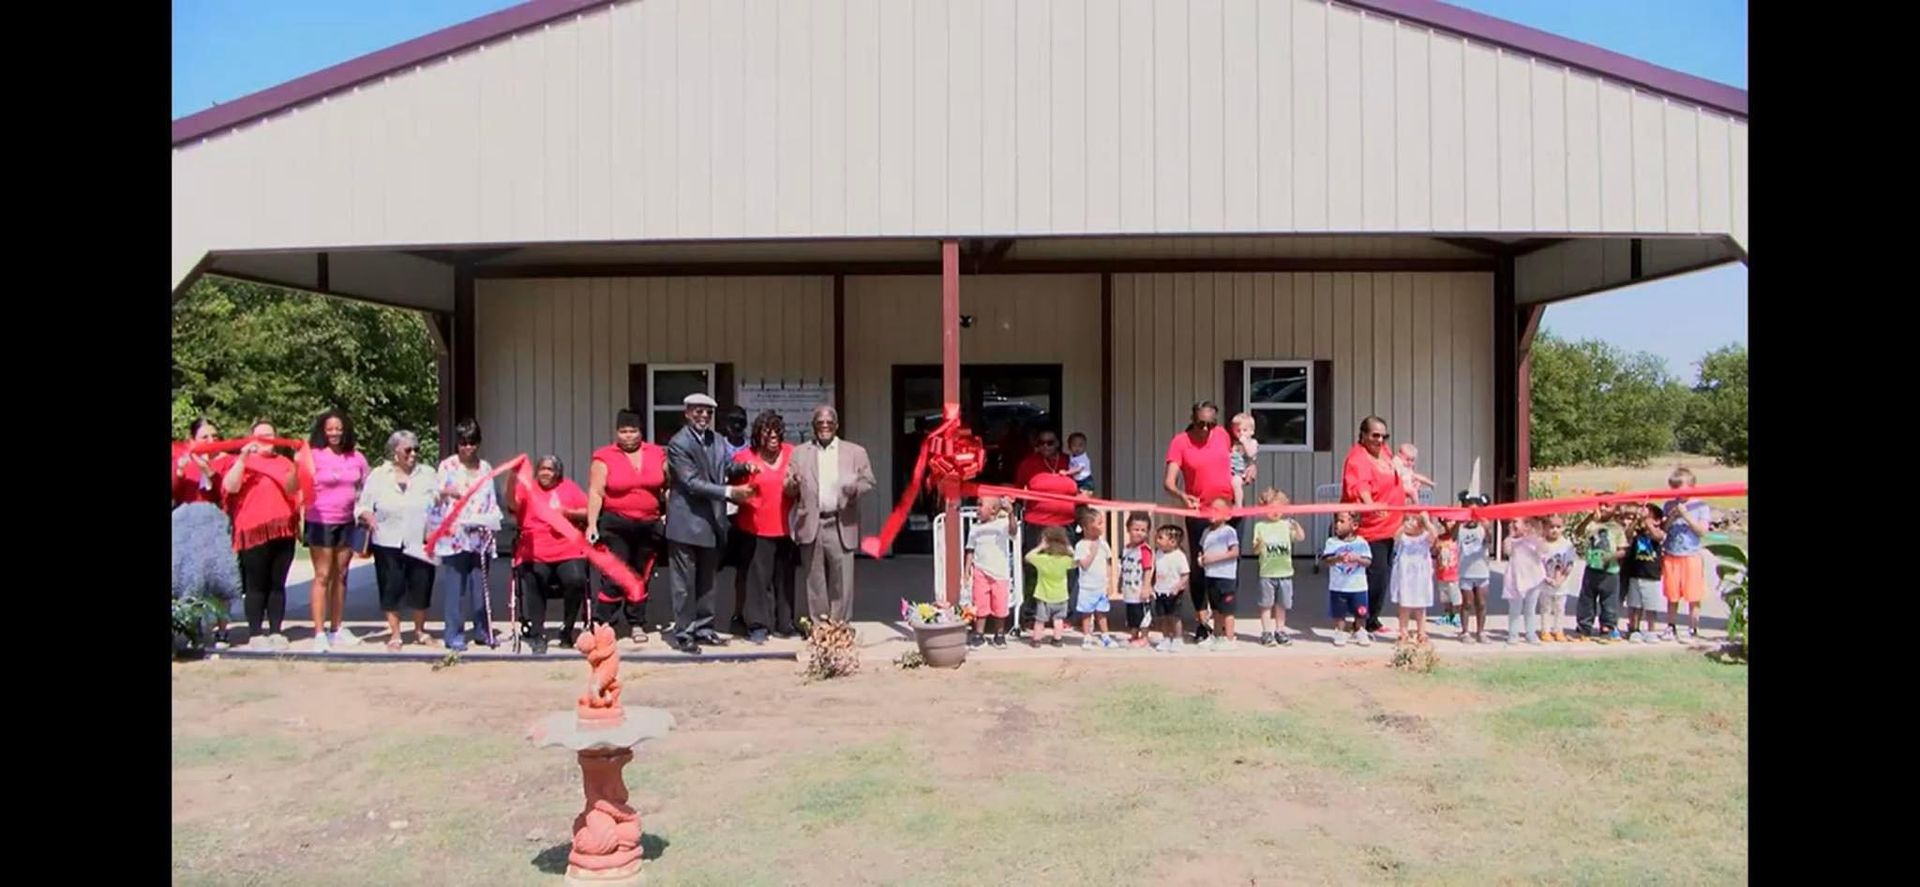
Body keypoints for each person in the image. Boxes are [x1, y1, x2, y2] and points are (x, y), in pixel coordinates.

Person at [662, 393, 754, 654]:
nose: (703, 417)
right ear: (687, 413)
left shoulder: (717, 440)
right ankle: (684, 633)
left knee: (708, 580)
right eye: (698, 411)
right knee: (683, 584)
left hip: (712, 521)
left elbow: (724, 467)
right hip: (685, 522)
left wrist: (746, 467)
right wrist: (729, 493)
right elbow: (690, 483)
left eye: (708, 413)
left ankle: (704, 628)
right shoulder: (678, 443)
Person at [217, 420, 301, 650]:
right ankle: (255, 633)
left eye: (270, 434)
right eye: (261, 434)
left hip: (283, 531)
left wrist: (296, 466)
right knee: (255, 585)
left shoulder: (283, 462)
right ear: (252, 438)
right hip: (252, 532)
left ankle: (275, 631)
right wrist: (243, 459)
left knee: (277, 584)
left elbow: (292, 489)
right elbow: (230, 487)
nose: (266, 439)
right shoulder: (240, 462)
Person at [788, 405, 875, 625]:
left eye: (829, 423)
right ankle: (819, 626)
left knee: (842, 579)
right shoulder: (799, 453)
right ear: (813, 426)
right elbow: (788, 488)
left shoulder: (855, 452)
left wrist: (854, 488)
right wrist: (793, 483)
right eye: (820, 423)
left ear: (836, 425)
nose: (824, 427)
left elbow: (869, 482)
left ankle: (839, 626)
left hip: (840, 521)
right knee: (814, 579)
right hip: (812, 522)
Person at [587, 409, 669, 644]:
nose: (628, 436)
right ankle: (603, 623)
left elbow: (669, 486)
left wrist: (669, 515)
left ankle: (636, 623)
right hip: (616, 523)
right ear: (616, 432)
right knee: (615, 574)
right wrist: (592, 524)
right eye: (623, 431)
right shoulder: (604, 456)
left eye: (632, 431)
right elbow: (596, 491)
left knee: (639, 575)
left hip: (648, 524)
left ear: (641, 431)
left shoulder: (657, 453)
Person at [356, 431, 439, 651]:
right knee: (390, 587)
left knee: (422, 585)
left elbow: (438, 503)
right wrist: (368, 515)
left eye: (416, 450)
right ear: (395, 453)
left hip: (419, 539)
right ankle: (395, 634)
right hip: (387, 539)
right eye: (408, 450)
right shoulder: (379, 475)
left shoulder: (428, 473)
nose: (413, 454)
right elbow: (363, 505)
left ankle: (420, 631)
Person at [1164, 402, 1235, 642]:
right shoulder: (1181, 442)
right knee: (1200, 566)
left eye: (1210, 424)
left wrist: (1251, 466)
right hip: (1199, 512)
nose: (1205, 429)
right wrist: (1182, 495)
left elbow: (1241, 456)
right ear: (1192, 420)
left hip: (1226, 511)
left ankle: (1221, 620)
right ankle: (1202, 619)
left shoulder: (1223, 435)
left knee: (1226, 566)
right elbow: (1169, 482)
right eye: (1200, 423)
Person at [431, 419, 502, 652]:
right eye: (463, 443)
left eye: (472, 443)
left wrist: (492, 522)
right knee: (455, 588)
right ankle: (453, 634)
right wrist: (444, 491)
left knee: (480, 587)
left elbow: (492, 500)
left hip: (480, 536)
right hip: (455, 536)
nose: (467, 448)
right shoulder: (447, 466)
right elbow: (434, 497)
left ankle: (483, 630)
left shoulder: (485, 468)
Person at [303, 409, 370, 652]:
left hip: (347, 521)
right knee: (323, 575)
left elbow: (367, 486)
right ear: (323, 431)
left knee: (341, 575)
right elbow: (297, 484)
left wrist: (365, 512)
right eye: (330, 428)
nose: (334, 433)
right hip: (320, 520)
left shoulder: (356, 457)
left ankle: (336, 629)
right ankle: (319, 632)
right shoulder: (312, 456)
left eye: (338, 428)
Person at [511, 455, 590, 655]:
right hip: (536, 550)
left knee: (577, 578)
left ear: (558, 473)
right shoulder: (527, 488)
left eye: (550, 469)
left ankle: (567, 629)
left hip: (567, 548)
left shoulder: (569, 487)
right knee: (535, 576)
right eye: (542, 469)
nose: (545, 473)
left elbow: (589, 511)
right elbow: (512, 504)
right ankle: (537, 633)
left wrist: (567, 513)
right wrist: (513, 477)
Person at [731, 411, 798, 644]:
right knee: (757, 580)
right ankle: (758, 625)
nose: (772, 437)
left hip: (786, 527)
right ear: (757, 435)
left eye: (776, 433)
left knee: (785, 578)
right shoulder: (744, 458)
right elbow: (736, 493)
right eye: (766, 433)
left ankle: (786, 623)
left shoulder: (792, 453)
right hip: (755, 528)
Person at [1340, 416, 1405, 638]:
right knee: (1375, 575)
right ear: (1363, 435)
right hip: (1369, 528)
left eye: (1383, 436)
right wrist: (1371, 505)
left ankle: (1372, 619)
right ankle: (1362, 620)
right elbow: (1359, 487)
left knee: (1383, 574)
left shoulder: (1384, 452)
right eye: (1374, 435)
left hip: (1391, 527)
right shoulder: (1358, 458)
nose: (1380, 440)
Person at [174, 417, 232, 647]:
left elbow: (226, 492)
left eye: (215, 437)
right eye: (204, 437)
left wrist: (208, 468)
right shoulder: (181, 461)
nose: (210, 441)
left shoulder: (225, 461)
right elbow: (175, 493)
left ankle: (223, 629)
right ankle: (193, 629)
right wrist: (180, 470)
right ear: (192, 440)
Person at [1015, 431, 1080, 635]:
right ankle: (1032, 615)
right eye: (1041, 443)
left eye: (1050, 442)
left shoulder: (1070, 462)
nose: (1045, 446)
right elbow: (1018, 492)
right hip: (1037, 523)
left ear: (1058, 444)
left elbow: (1086, 483)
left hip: (1065, 523)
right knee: (1034, 569)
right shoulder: (1028, 464)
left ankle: (1062, 615)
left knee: (1067, 569)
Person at [1658, 467, 1714, 643]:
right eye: (1674, 490)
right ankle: (1671, 626)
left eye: (1681, 489)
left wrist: (1686, 515)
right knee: (1672, 594)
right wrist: (1672, 517)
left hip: (1691, 556)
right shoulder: (1668, 505)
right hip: (1672, 554)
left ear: (1692, 486)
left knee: (1693, 595)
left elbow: (1701, 531)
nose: (1678, 493)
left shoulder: (1701, 506)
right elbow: (1663, 530)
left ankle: (1693, 629)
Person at [1251, 489, 1305, 647]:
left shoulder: (1286, 525)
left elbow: (1300, 538)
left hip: (1285, 573)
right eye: (1271, 509)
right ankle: (1266, 632)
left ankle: (1280, 630)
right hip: (1267, 573)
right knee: (1266, 604)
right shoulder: (1260, 526)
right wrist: (1258, 544)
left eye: (1279, 508)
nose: (1275, 512)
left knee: (1282, 605)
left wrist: (1296, 526)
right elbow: (1254, 549)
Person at [966, 495, 1015, 649]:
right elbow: (970, 549)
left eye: (981, 505)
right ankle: (979, 634)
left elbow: (1013, 531)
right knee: (980, 604)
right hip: (980, 570)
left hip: (999, 573)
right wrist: (966, 569)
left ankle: (999, 634)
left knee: (999, 605)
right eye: (977, 505)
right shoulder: (975, 528)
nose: (977, 509)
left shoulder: (1002, 524)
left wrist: (1011, 513)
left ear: (993, 510)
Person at [1573, 504, 1627, 640]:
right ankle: (1584, 627)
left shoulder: (1617, 528)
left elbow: (1623, 550)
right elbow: (1578, 533)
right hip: (1592, 568)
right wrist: (1589, 517)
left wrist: (1611, 556)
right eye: (1601, 505)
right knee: (1587, 599)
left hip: (1610, 571)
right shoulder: (1592, 525)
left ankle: (1607, 627)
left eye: (1607, 506)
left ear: (1615, 509)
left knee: (1609, 601)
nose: (1602, 508)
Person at [1321, 512, 1374, 647]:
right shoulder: (1331, 542)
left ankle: (1360, 630)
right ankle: (1340, 631)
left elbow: (1368, 561)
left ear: (1354, 525)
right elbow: (1326, 560)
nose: (1337, 525)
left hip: (1358, 586)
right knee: (1339, 612)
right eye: (1336, 521)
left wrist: (1357, 558)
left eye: (1341, 521)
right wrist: (1338, 558)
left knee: (1361, 612)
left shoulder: (1361, 543)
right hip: (1338, 586)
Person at [1197, 498, 1241, 650]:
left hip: (1226, 577)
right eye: (1210, 510)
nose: (1212, 513)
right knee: (1215, 609)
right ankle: (1216, 636)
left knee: (1227, 610)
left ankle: (1229, 639)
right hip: (1211, 576)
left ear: (1227, 515)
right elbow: (1202, 550)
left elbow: (1235, 552)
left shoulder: (1229, 531)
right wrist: (1200, 559)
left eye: (1217, 510)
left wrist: (1214, 558)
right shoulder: (1206, 532)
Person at [1388, 513, 1438, 645]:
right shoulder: (1403, 537)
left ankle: (1421, 633)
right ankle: (1403, 632)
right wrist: (1403, 526)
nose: (1410, 522)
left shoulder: (1425, 537)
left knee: (1420, 606)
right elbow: (1395, 537)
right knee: (1404, 605)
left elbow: (1434, 535)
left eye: (1414, 520)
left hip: (1420, 575)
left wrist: (1427, 521)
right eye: (1408, 519)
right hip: (1405, 574)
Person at [1023, 526, 1075, 648]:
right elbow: (1077, 561)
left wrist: (1040, 547)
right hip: (1061, 596)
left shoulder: (1042, 559)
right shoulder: (1065, 560)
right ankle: (1057, 639)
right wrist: (1069, 548)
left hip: (1043, 596)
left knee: (1040, 620)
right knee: (1058, 620)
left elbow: (1028, 557)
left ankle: (1036, 640)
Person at [1073, 508, 1115, 649]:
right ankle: (1087, 636)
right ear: (1087, 527)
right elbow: (1083, 565)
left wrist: (1109, 582)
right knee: (1087, 613)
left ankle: (1105, 636)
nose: (1102, 526)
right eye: (1099, 523)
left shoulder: (1103, 543)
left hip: (1101, 585)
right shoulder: (1081, 545)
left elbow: (1108, 563)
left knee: (1102, 613)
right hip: (1087, 586)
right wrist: (1092, 552)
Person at [1623, 504, 1665, 643]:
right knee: (1635, 605)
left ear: (1657, 520)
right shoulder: (1637, 533)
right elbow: (1627, 534)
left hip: (1651, 576)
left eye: (1649, 517)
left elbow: (1657, 536)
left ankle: (1651, 630)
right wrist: (1636, 520)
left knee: (1651, 606)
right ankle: (1635, 629)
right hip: (1636, 574)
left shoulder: (1659, 532)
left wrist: (1648, 523)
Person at [1149, 526, 1191, 653]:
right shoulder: (1158, 553)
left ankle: (1178, 638)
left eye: (1161, 538)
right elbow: (1155, 570)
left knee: (1175, 616)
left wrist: (1178, 587)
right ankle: (1166, 637)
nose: (1157, 540)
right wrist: (1151, 585)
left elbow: (1185, 574)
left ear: (1172, 542)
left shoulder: (1179, 556)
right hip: (1160, 590)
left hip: (1174, 592)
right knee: (1163, 616)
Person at [1117, 514, 1156, 648]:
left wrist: (1146, 587)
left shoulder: (1144, 550)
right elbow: (1123, 567)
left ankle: (1144, 637)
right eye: (1136, 529)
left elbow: (1148, 569)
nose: (1139, 533)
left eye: (1143, 530)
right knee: (1132, 614)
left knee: (1143, 615)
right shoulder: (1126, 548)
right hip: (1129, 589)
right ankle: (1133, 635)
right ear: (1128, 529)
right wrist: (1119, 582)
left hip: (1140, 589)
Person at [1456, 510, 1492, 644]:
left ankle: (1481, 631)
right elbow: (1452, 537)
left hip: (1481, 572)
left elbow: (1489, 541)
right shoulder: (1460, 529)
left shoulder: (1482, 528)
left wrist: (1487, 528)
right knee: (1467, 603)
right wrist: (1458, 521)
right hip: (1465, 573)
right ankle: (1465, 631)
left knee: (1481, 603)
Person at [1433, 521, 1464, 641]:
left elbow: (1455, 530)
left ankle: (1456, 615)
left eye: (1452, 523)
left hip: (1454, 573)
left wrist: (1456, 522)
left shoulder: (1456, 538)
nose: (1449, 525)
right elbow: (1434, 552)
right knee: (1444, 596)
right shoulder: (1440, 538)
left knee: (1455, 596)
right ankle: (1447, 614)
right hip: (1442, 573)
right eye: (1447, 523)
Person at [1228, 412, 1261, 507]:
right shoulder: (1234, 443)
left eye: (1245, 430)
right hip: (1231, 470)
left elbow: (1251, 453)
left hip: (1242, 471)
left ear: (1252, 431)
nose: (1241, 433)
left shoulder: (1252, 442)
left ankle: (1238, 505)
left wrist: (1245, 443)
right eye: (1238, 430)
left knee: (1236, 483)